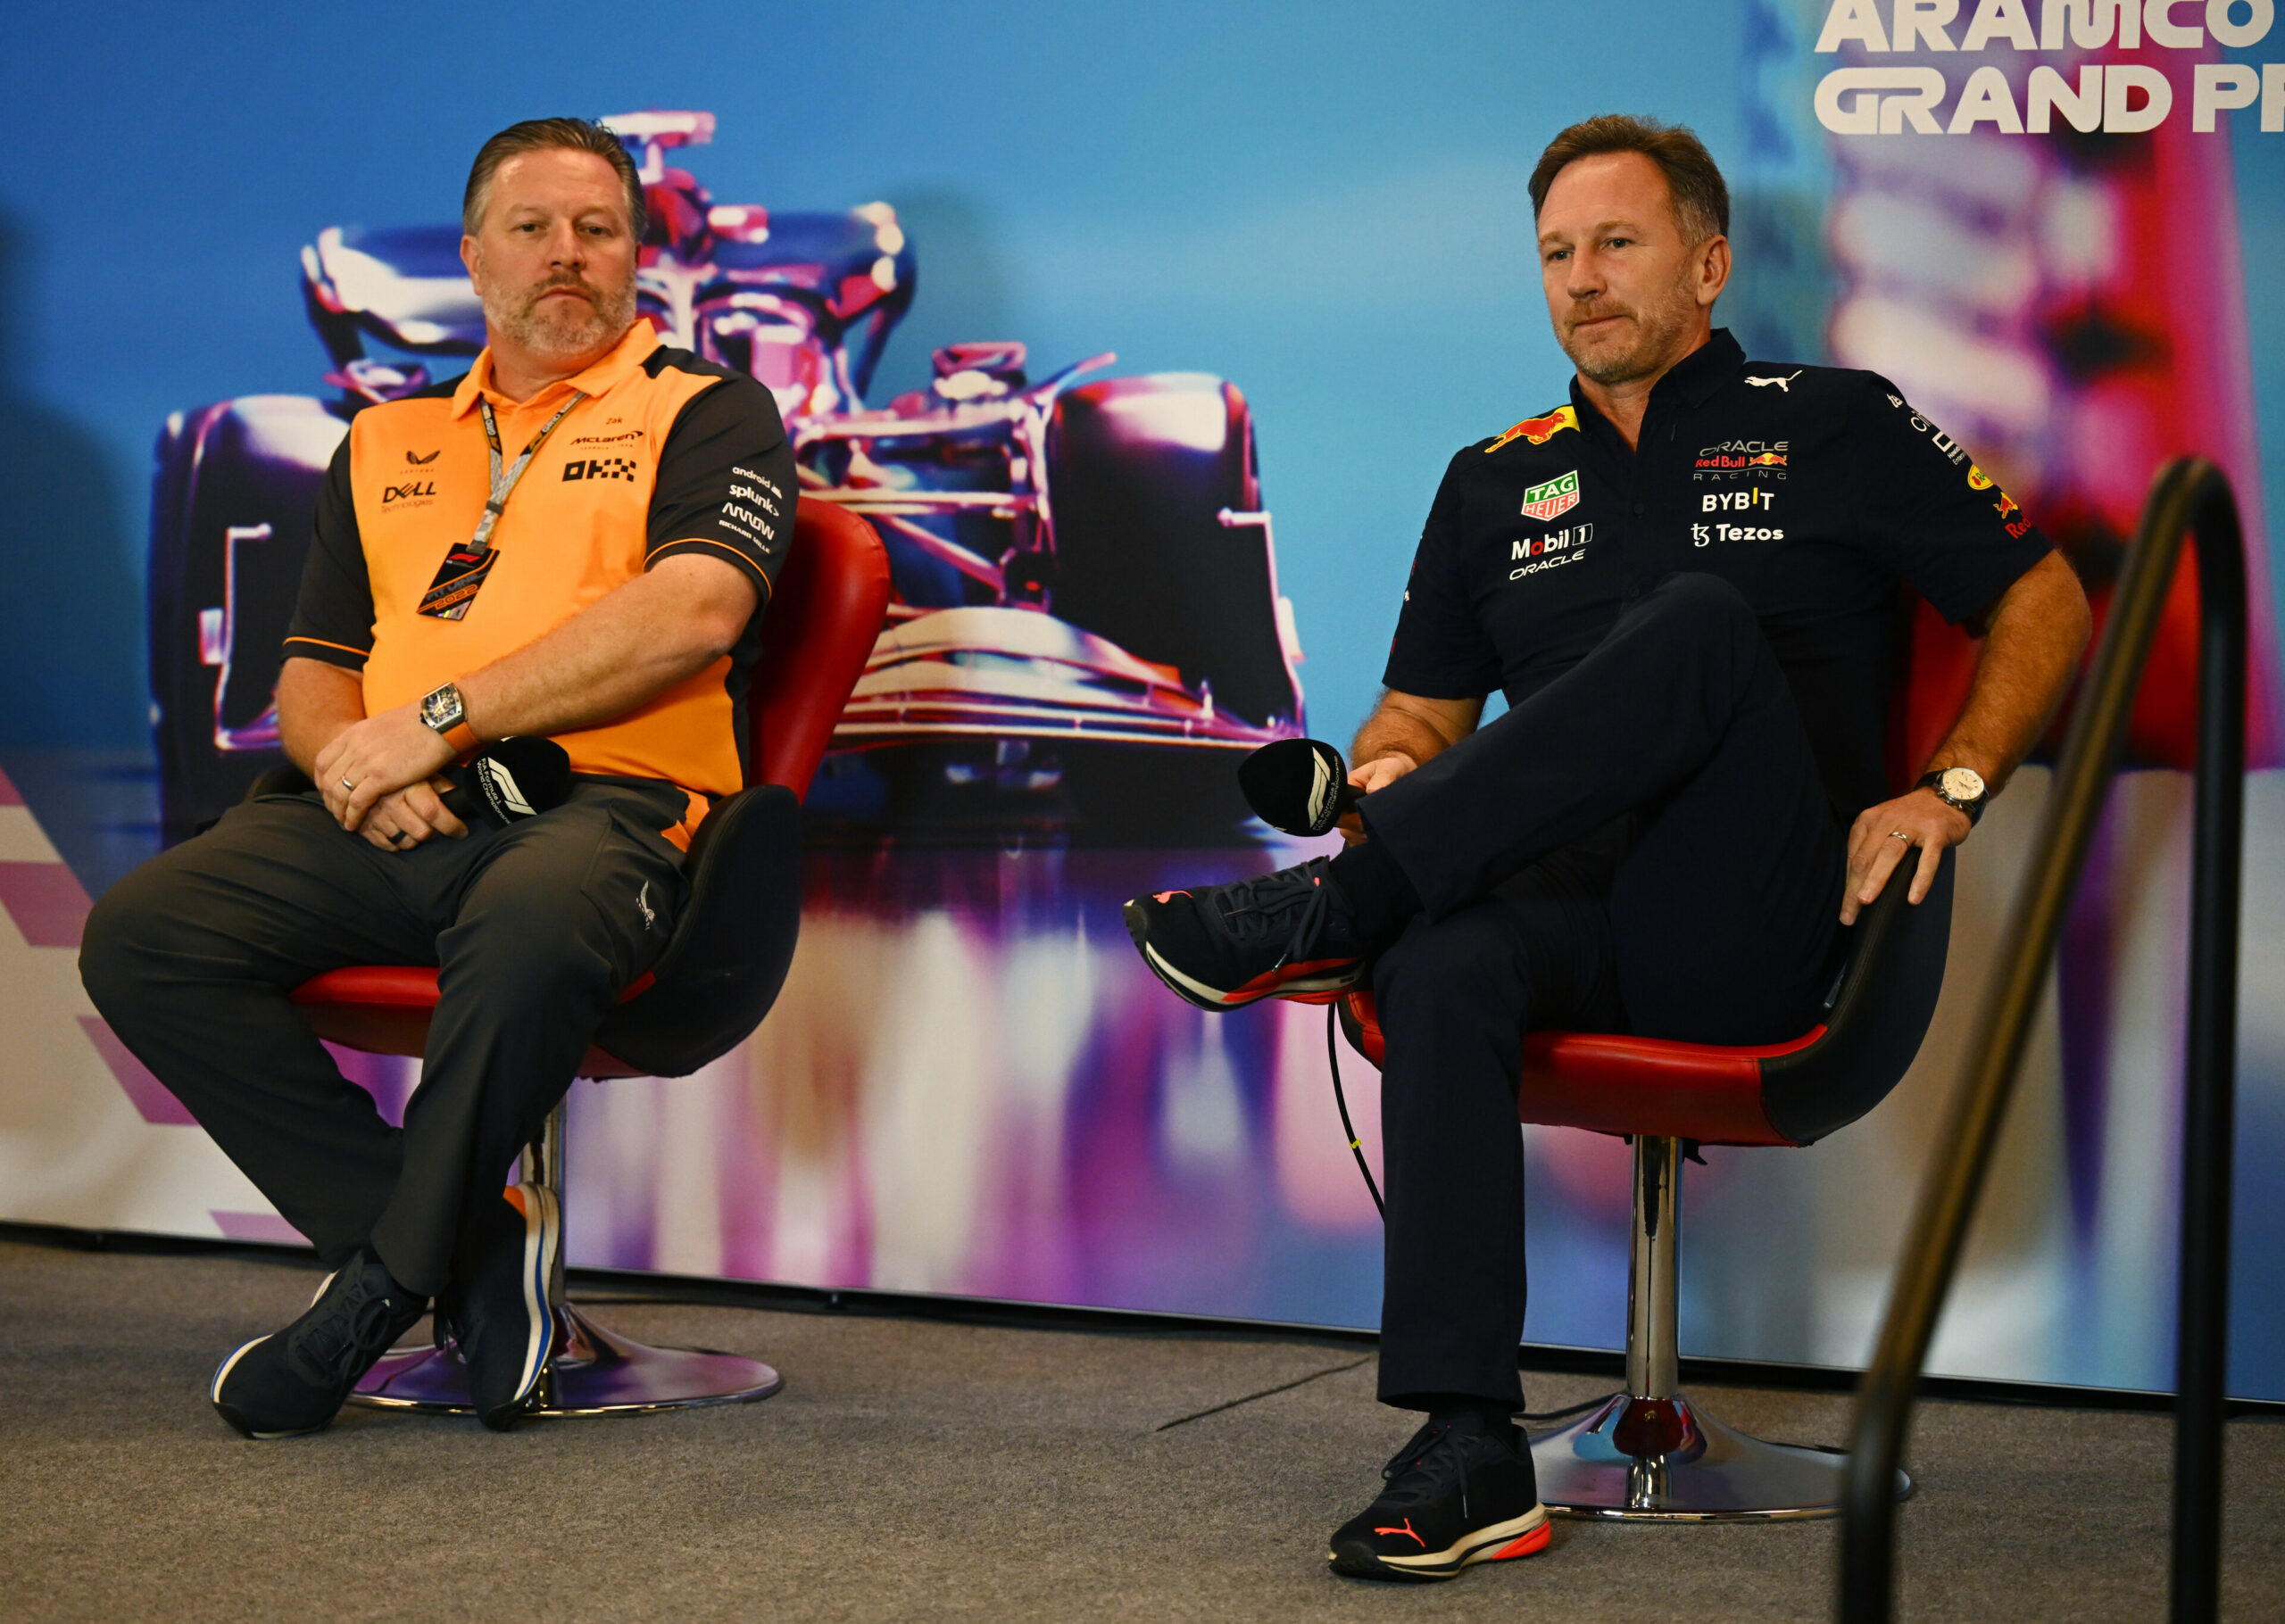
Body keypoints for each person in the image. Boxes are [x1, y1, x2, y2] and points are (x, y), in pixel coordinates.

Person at [1123, 114, 2090, 1581]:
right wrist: (1387, 769)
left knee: (1701, 624)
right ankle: (1467, 1443)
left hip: (1760, 927)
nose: (1582, 279)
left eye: (1617, 244)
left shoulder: (1836, 417)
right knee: (1444, 965)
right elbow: (1421, 718)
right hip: (1564, 912)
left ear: (1706, 262)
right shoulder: (1491, 481)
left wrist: (1950, 786)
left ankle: (1338, 903)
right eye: (1558, 254)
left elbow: (2046, 599)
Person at [79, 118, 796, 1437]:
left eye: (598, 230)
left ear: (639, 254)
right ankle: (474, 1256)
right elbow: (311, 669)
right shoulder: (386, 443)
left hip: (611, 812)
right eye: (533, 229)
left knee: (528, 925)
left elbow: (696, 609)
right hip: (393, 813)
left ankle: (371, 1298)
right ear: (476, 259)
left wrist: (442, 720)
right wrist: (352, 769)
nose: (566, 257)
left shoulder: (708, 413)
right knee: (143, 936)